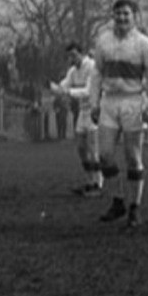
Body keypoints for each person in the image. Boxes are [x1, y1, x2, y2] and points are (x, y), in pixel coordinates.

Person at [88, 0, 148, 226]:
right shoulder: (103, 41)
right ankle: (118, 201)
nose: (121, 18)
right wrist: (94, 103)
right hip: (109, 102)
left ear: (134, 17)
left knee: (133, 157)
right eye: (118, 13)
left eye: (126, 14)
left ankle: (135, 207)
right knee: (105, 155)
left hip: (133, 102)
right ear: (113, 16)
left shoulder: (143, 44)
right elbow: (96, 74)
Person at [50, 42, 102, 197]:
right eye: (69, 56)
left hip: (94, 111)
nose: (71, 59)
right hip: (82, 112)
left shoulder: (92, 67)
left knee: (93, 150)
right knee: (81, 149)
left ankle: (97, 184)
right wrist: (54, 87)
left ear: (81, 53)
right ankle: (89, 181)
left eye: (73, 55)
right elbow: (64, 85)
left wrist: (68, 92)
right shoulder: (73, 71)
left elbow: (88, 91)